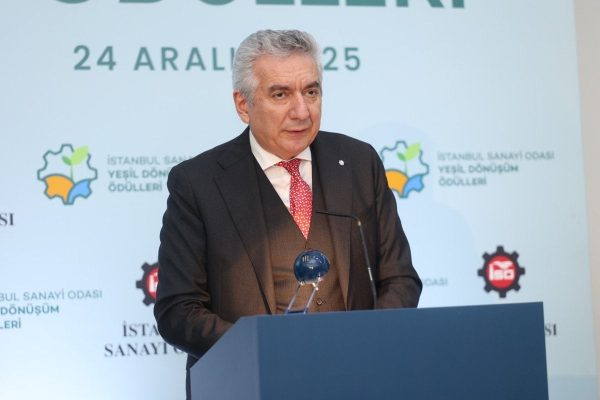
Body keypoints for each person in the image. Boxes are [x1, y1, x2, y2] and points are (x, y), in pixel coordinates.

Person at [154, 29, 422, 398]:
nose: (301, 111)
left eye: (311, 92)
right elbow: (178, 311)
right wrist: (264, 354)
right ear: (243, 105)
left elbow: (400, 280)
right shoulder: (198, 182)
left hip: (358, 381)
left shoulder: (359, 163)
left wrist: (368, 346)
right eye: (280, 94)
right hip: (250, 385)